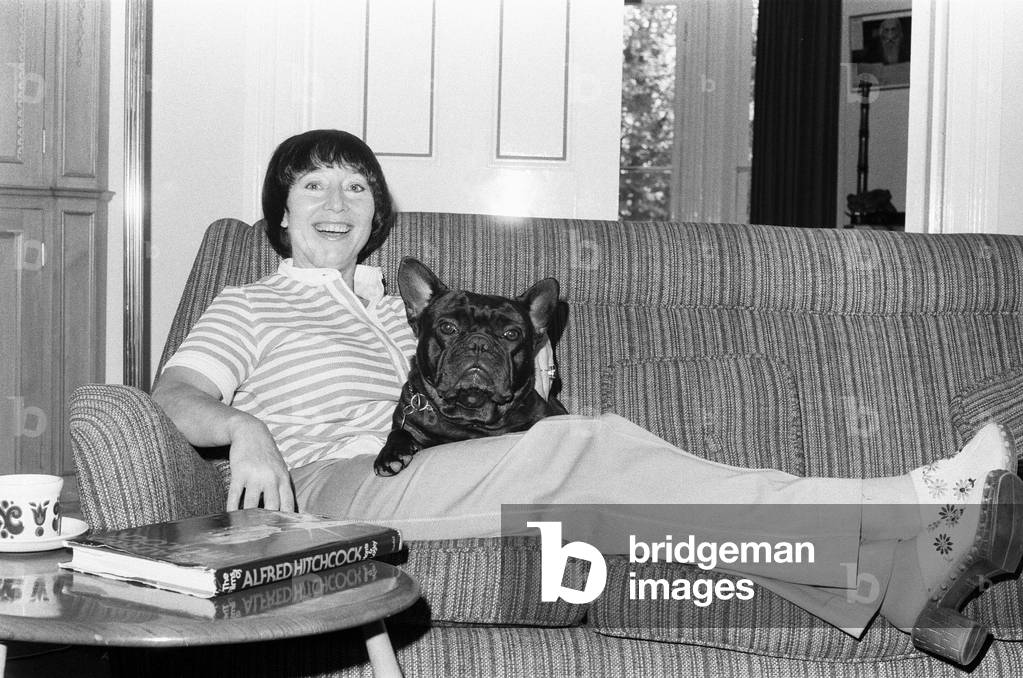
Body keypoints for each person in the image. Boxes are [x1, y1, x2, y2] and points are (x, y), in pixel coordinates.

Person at [152, 129, 1022, 667]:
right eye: (313, 185)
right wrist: (245, 427)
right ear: (280, 212)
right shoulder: (251, 301)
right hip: (339, 486)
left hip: (460, 463)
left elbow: (502, 394)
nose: (336, 203)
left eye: (355, 186)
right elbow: (176, 392)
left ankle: (895, 586)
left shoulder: (408, 307)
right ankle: (911, 502)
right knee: (589, 450)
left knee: (620, 504)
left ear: (376, 211)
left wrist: (535, 370)